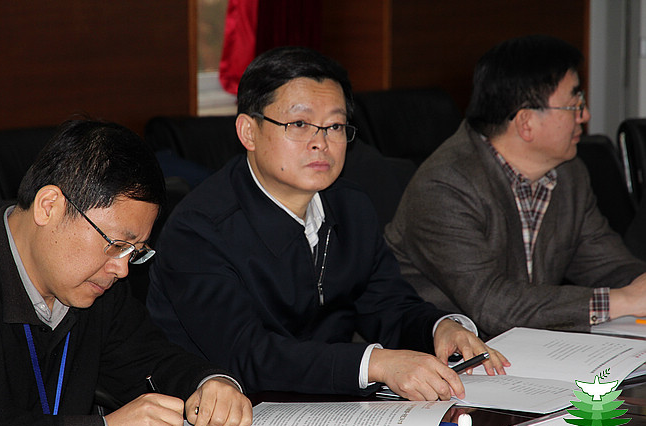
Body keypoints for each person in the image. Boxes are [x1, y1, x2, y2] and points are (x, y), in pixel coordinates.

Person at [146, 46, 508, 403]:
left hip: (330, 407)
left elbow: (386, 306)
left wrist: (439, 328)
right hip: (225, 415)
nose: (321, 143)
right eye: (299, 124)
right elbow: (247, 355)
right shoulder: (199, 229)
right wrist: (375, 364)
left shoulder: (351, 206)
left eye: (334, 126)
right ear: (248, 132)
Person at [0, 119, 252, 426]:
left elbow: (150, 360)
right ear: (49, 206)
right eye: (117, 245)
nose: (122, 269)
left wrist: (209, 384)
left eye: (134, 252)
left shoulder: (97, 289)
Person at [385, 34, 646, 340]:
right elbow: (492, 305)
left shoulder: (568, 173)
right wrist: (620, 301)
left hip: (523, 348)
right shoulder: (445, 186)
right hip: (431, 355)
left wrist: (638, 287)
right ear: (526, 123)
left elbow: (608, 265)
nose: (585, 115)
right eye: (575, 104)